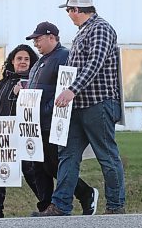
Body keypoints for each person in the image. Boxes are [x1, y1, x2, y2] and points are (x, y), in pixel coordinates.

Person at [35, 0, 125, 216]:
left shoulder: (100, 28)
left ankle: (115, 206)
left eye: (68, 10)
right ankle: (61, 204)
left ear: (77, 10)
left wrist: (71, 90)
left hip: (99, 103)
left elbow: (95, 63)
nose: (68, 15)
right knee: (67, 154)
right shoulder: (83, 32)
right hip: (78, 106)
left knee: (106, 155)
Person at [25, 21, 99, 215]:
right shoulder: (40, 62)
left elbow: (63, 90)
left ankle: (86, 193)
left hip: (53, 122)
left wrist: (47, 110)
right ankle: (47, 207)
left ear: (52, 37)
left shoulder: (64, 57)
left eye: (38, 39)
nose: (36, 44)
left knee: (54, 166)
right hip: (37, 124)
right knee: (40, 167)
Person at [0, 44, 41, 218]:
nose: (23, 62)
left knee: (29, 170)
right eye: (19, 58)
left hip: (23, 132)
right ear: (12, 61)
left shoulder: (33, 80)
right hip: (3, 131)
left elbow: (33, 107)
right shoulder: (4, 81)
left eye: (27, 59)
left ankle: (46, 204)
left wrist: (22, 92)